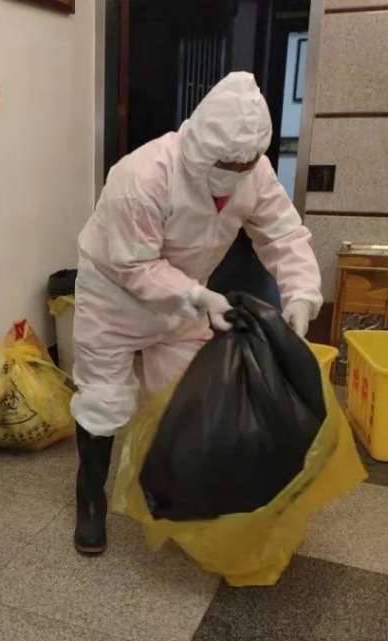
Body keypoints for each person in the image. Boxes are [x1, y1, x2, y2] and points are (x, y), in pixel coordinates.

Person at [70, 72, 322, 555]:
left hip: (186, 299)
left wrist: (301, 296)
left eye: (245, 163)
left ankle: (177, 491)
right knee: (104, 399)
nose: (236, 172)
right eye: (227, 163)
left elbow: (284, 235)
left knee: (187, 396)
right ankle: (90, 498)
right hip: (114, 298)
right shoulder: (141, 176)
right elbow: (134, 265)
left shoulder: (255, 172)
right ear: (201, 146)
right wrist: (201, 298)